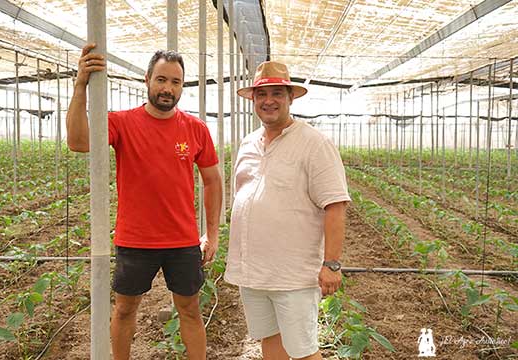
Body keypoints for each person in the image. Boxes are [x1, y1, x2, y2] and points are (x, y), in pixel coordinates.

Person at [66, 43, 222, 360]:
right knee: (124, 309)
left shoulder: (195, 129)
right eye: (161, 80)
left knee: (190, 309)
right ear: (148, 79)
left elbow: (212, 180)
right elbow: (78, 141)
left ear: (182, 86)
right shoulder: (122, 122)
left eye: (175, 82)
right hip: (135, 239)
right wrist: (81, 84)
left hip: (182, 240)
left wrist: (213, 233)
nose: (168, 88)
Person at [225, 61, 350, 360]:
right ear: (253, 99)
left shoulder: (314, 143)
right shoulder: (247, 143)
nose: (269, 100)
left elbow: (335, 205)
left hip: (292, 275)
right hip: (253, 271)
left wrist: (331, 263)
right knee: (270, 340)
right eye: (262, 94)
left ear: (290, 98)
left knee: (304, 350)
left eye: (277, 93)